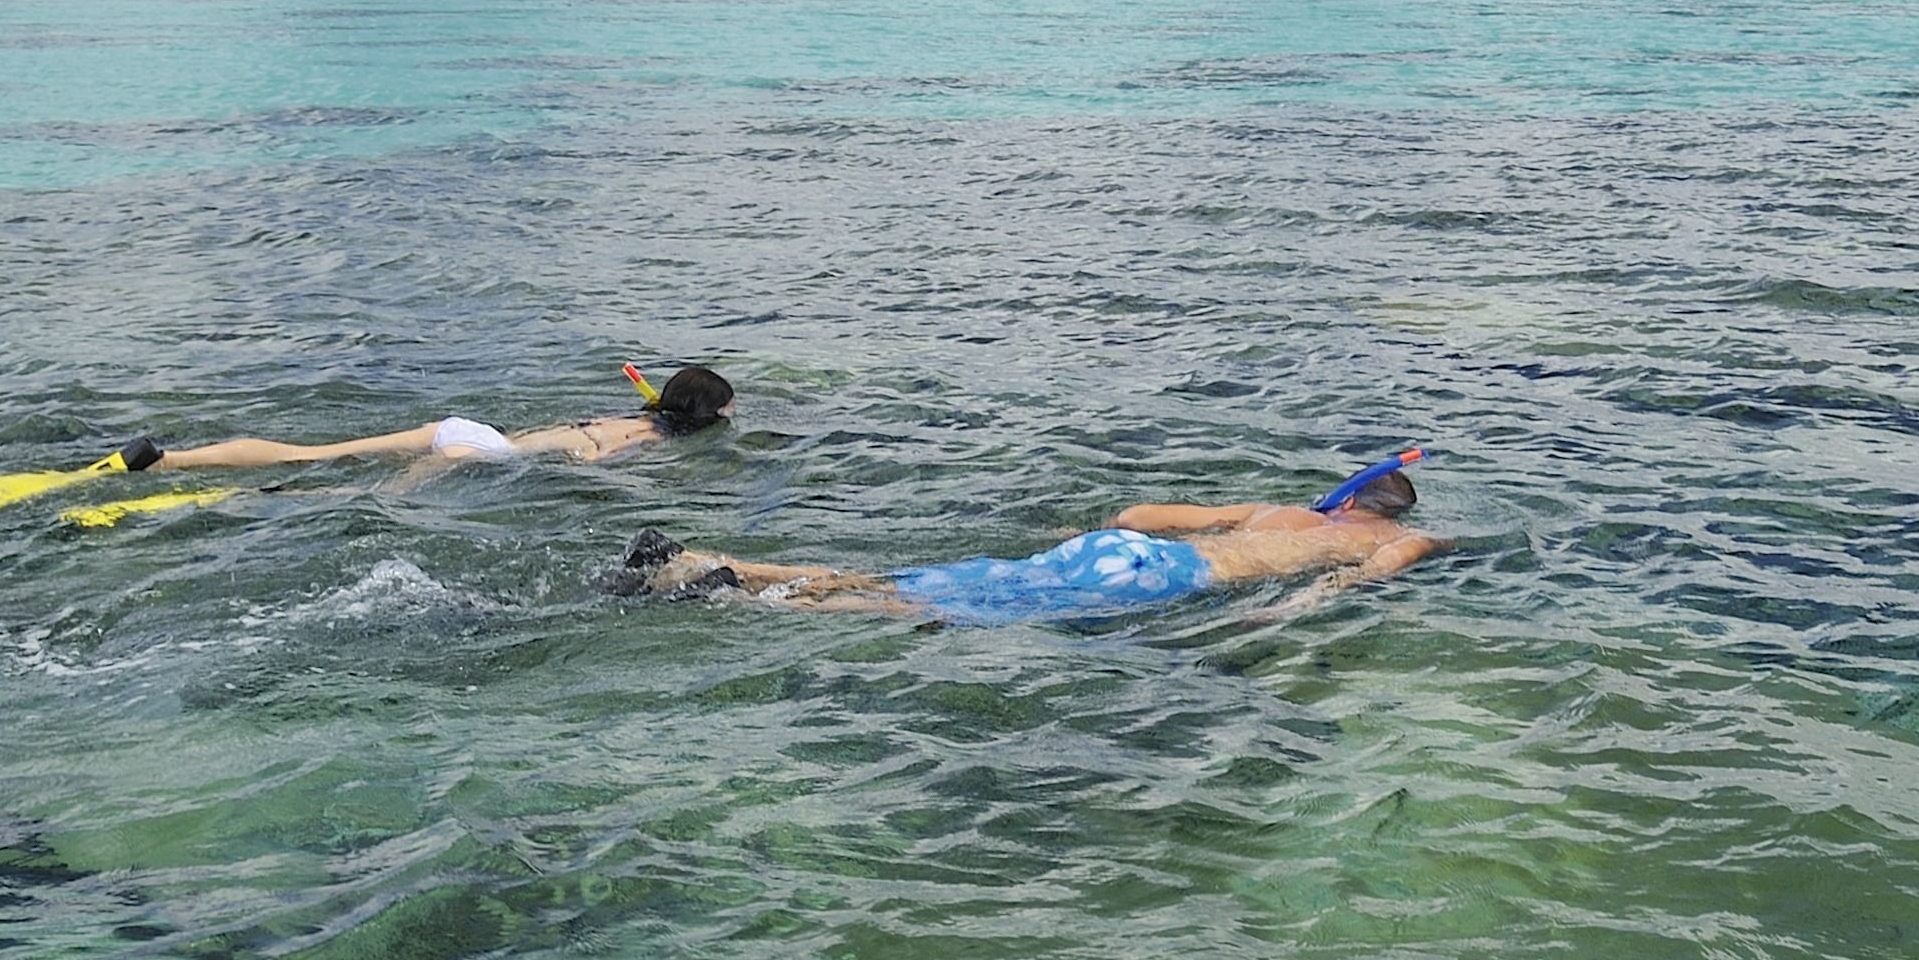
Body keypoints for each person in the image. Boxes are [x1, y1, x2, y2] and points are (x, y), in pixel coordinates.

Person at [607, 466, 1436, 624]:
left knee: (915, 576)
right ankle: (722, 591)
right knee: (916, 608)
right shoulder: (1406, 533)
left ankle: (707, 561)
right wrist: (1289, 608)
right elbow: (1366, 576)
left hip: (1107, 550)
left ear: (1347, 496)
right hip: (1166, 585)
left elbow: (1139, 513)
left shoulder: (1274, 509)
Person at [140, 364, 738, 473]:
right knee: (346, 498)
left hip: (471, 432)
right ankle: (245, 501)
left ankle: (172, 460)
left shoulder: (628, 412)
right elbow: (599, 459)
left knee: (316, 455)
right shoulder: (648, 435)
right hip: (483, 457)